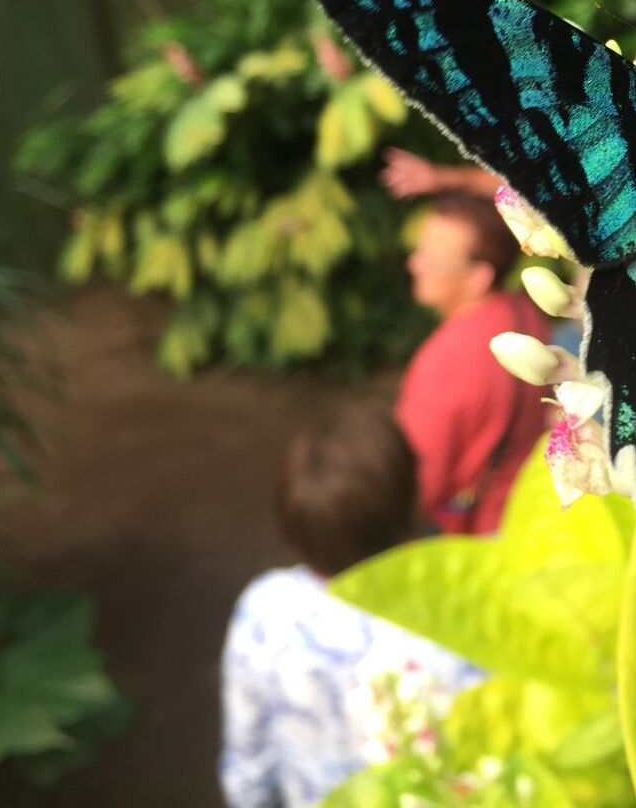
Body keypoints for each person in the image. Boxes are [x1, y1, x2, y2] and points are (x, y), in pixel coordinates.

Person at [219, 411, 480, 808]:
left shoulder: (264, 612)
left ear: (291, 520)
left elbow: (248, 763)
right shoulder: (456, 627)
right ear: (408, 503)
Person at [397, 191, 552, 535]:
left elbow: (418, 484)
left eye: (431, 259)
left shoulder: (444, 362)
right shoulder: (526, 313)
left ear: (477, 277)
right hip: (531, 507)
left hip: (477, 531)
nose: (414, 264)